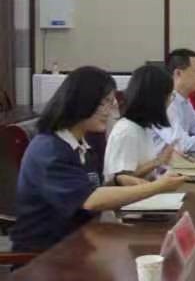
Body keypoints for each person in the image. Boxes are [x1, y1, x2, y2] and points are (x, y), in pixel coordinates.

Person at [10, 67, 185, 252]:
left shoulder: (82, 144)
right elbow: (91, 200)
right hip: (46, 253)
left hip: (82, 239)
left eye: (111, 102)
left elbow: (90, 189)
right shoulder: (50, 150)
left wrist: (118, 181)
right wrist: (157, 187)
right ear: (82, 101)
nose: (109, 111)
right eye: (104, 103)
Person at [104, 64, 175, 181]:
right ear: (156, 99)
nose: (170, 101)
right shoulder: (127, 131)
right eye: (169, 96)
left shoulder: (142, 127)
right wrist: (158, 161)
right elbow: (123, 179)